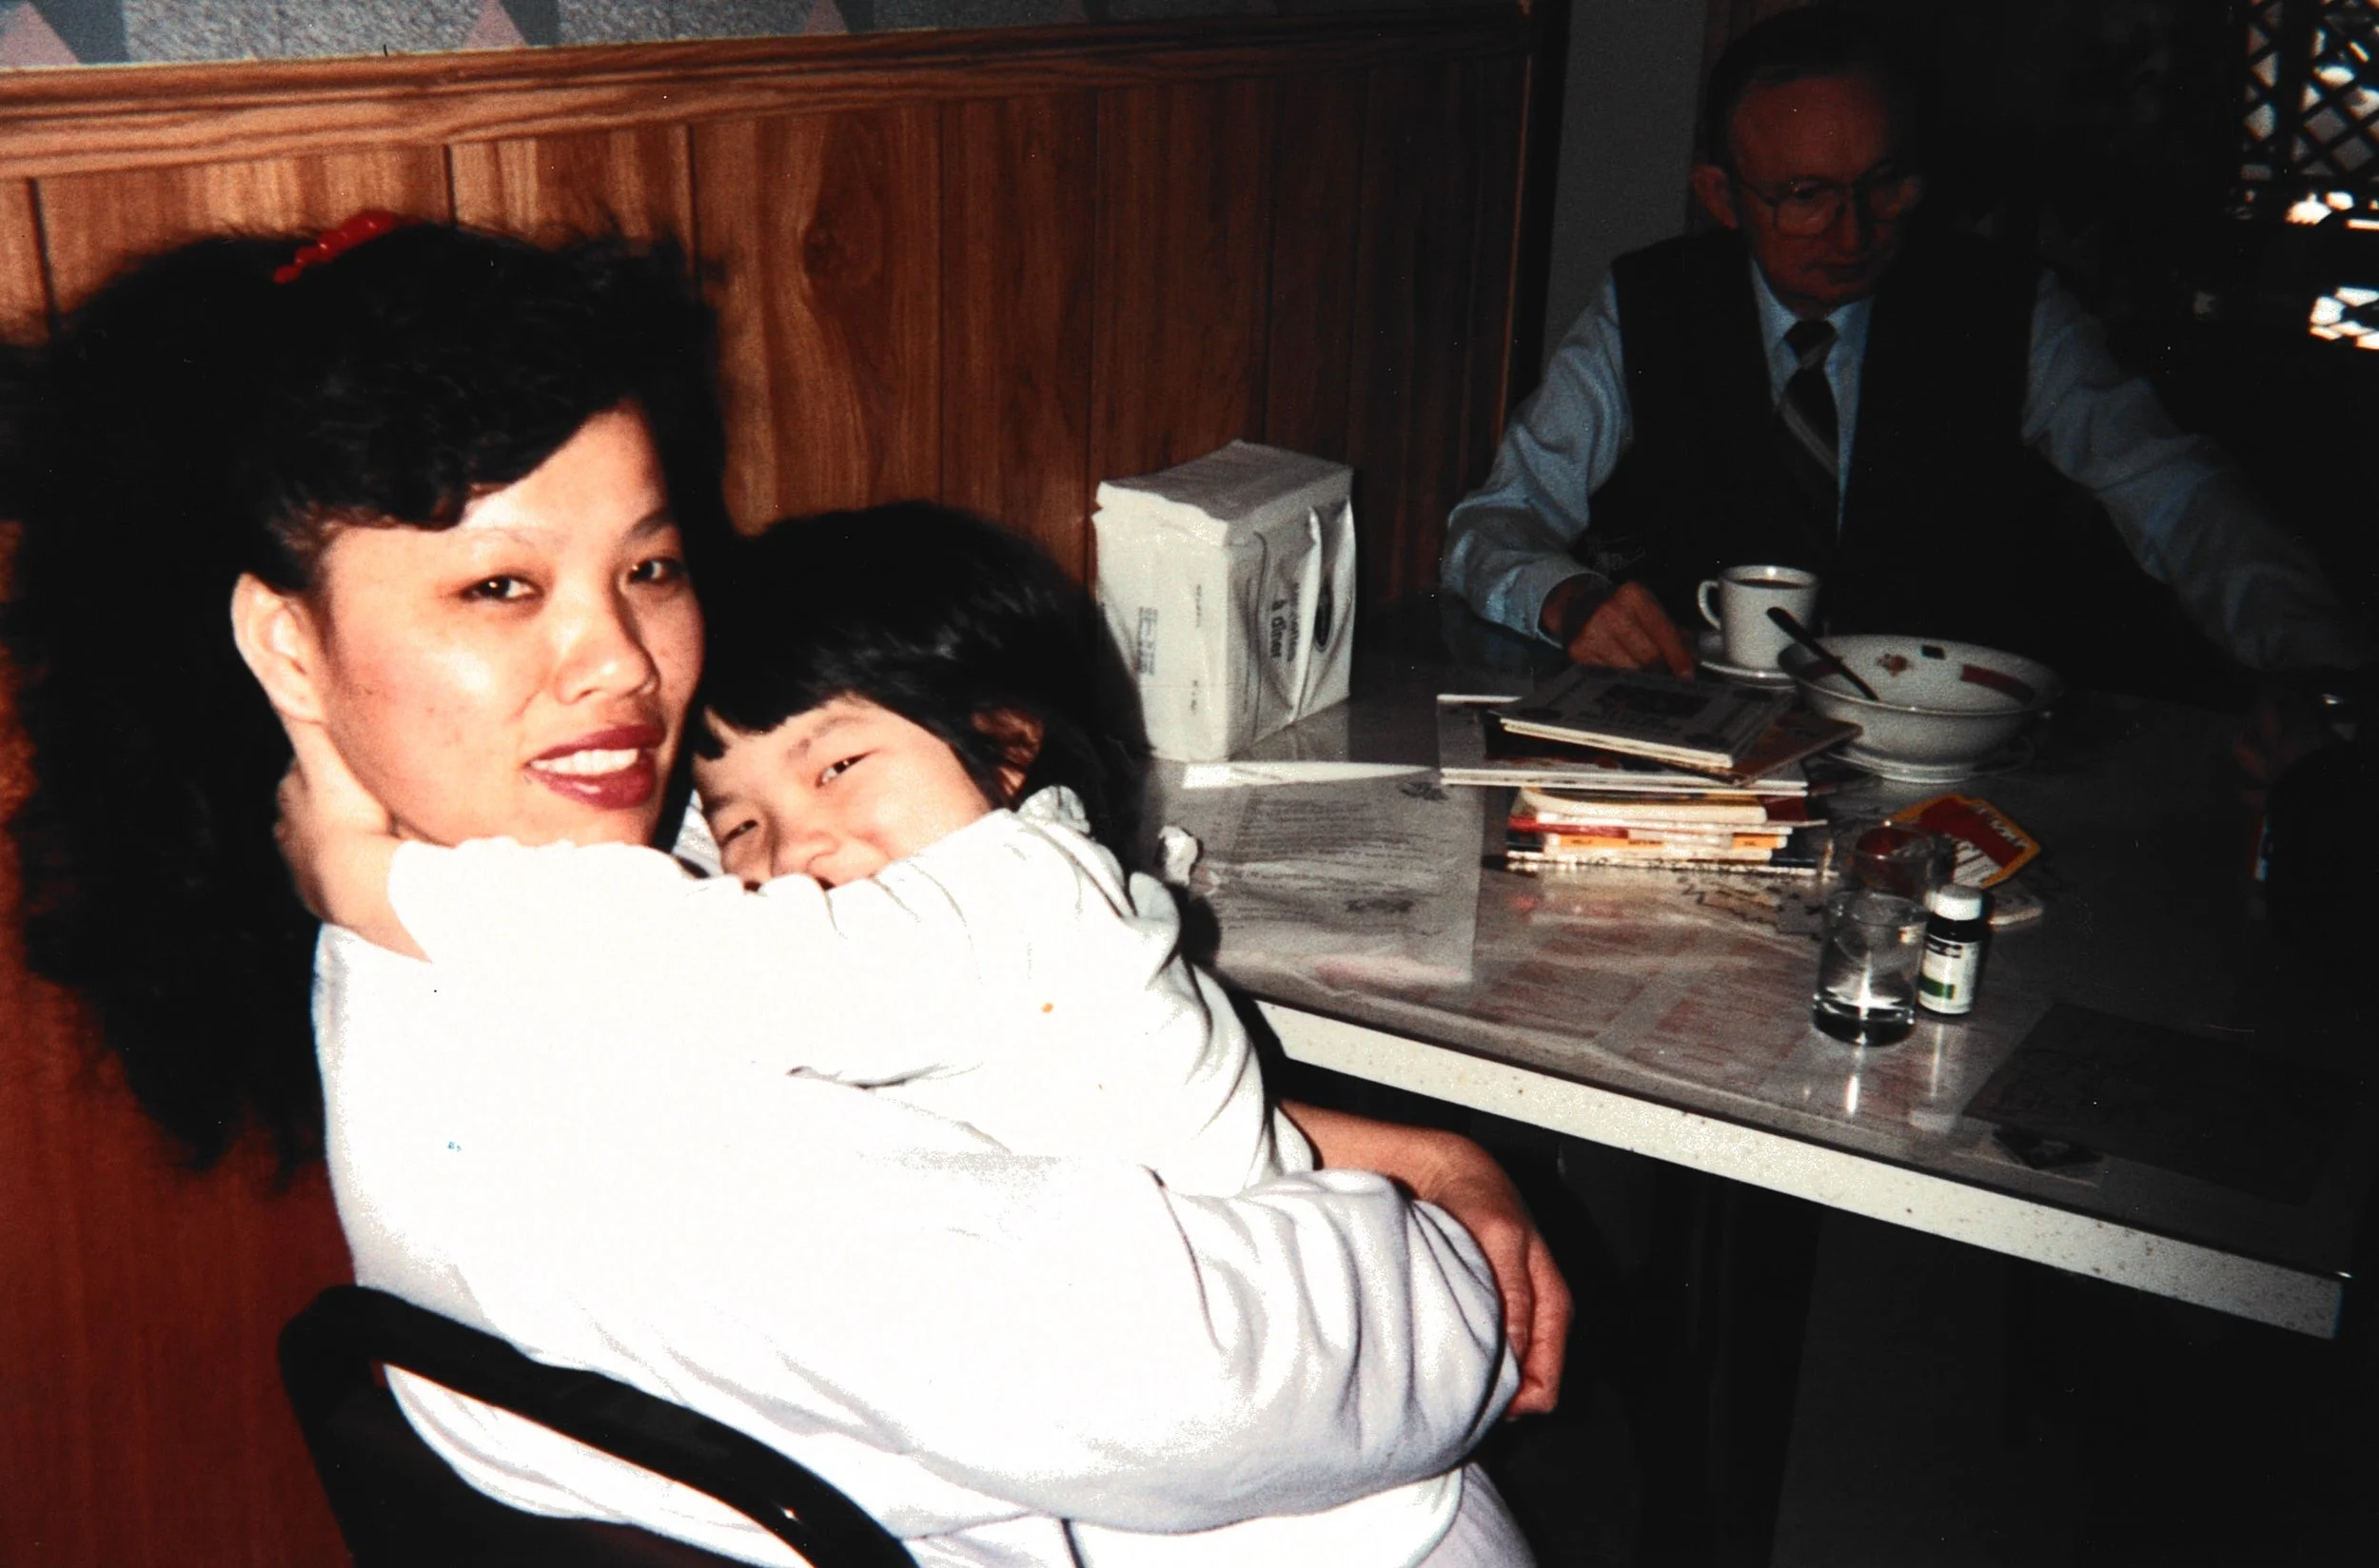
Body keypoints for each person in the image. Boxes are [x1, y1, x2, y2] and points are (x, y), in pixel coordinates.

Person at [0, 219, 1563, 1567]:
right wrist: (1436, 1260)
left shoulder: (505, 892)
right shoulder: (631, 1151)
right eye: (500, 586)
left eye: (651, 566)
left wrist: (1375, 1142)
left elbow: (948, 1044)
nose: (616, 660)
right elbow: (1235, 1389)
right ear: (287, 645)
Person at [279, 501, 1493, 1565]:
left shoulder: (1015, 890)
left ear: (1006, 750)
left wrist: (375, 879)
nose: (793, 848)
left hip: (1356, 1533)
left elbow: (731, 965)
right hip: (1252, 1446)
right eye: (738, 819)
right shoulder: (888, 877)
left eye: (839, 765)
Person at [1439, 5, 2371, 678]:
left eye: (1883, 184)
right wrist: (1566, 600)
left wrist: (2319, 664)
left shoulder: (2011, 308)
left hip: (1956, 770)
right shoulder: (1644, 303)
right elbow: (1495, 520)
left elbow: (2177, 500)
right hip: (1711, 755)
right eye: (1804, 197)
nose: (1852, 234)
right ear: (1722, 197)